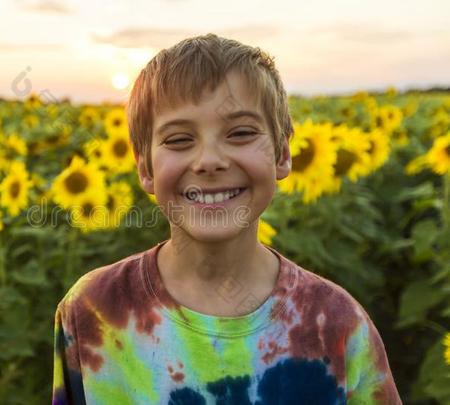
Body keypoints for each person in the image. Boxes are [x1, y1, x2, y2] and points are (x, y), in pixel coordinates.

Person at [52, 33, 402, 404]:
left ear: (283, 155)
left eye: (240, 133)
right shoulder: (93, 312)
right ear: (146, 170)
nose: (209, 161)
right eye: (178, 140)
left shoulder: (335, 324)